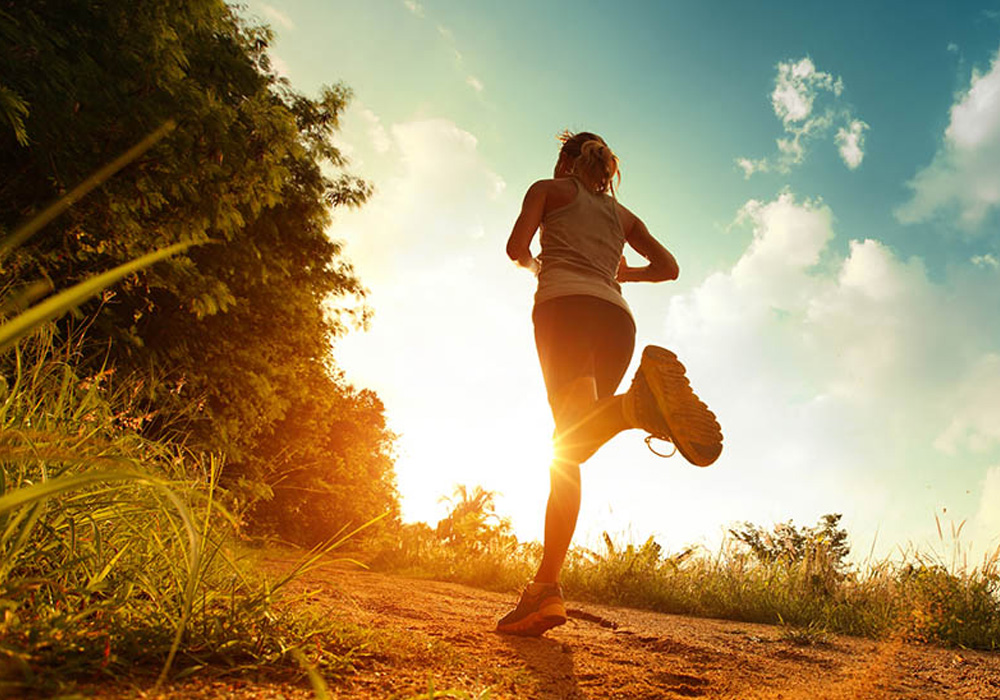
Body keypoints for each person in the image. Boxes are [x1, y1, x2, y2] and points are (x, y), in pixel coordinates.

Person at [496, 130, 723, 637]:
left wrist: (539, 266)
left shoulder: (548, 190)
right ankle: (546, 590)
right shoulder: (623, 216)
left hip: (564, 309)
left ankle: (632, 408)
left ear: (564, 162)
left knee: (568, 444)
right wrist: (624, 275)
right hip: (617, 321)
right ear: (603, 167)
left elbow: (515, 247)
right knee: (571, 446)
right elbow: (669, 268)